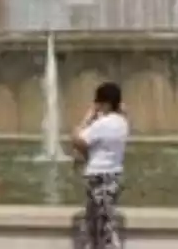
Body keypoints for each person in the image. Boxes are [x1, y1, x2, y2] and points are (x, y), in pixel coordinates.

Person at [71, 82, 129, 249]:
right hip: (113, 176)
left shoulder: (104, 123)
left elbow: (77, 139)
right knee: (102, 222)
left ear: (106, 103)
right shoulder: (122, 123)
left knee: (102, 228)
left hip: (99, 178)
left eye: (98, 102)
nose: (96, 106)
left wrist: (86, 119)